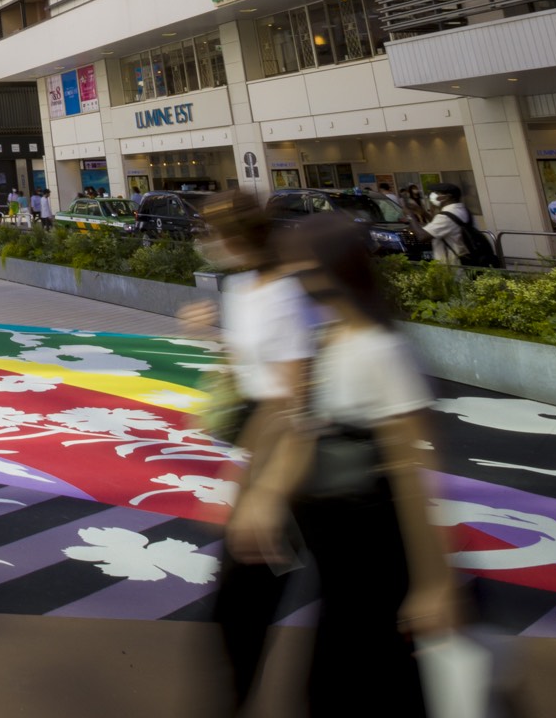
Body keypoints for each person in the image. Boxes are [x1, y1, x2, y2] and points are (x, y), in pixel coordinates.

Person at [228, 215, 461, 717]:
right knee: (338, 679)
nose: (292, 275)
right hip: (334, 550)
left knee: (364, 682)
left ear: (332, 268)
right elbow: (301, 428)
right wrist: (264, 498)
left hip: (374, 546)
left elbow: (413, 474)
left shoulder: (382, 350)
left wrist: (434, 582)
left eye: (303, 264)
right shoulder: (329, 338)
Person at [186, 195, 317, 714]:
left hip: (295, 456)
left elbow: (292, 400)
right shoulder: (240, 288)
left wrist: (262, 492)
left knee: (244, 599)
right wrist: (214, 335)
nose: (206, 242)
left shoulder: (288, 295)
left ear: (238, 238)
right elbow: (248, 370)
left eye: (211, 232)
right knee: (241, 602)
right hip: (261, 448)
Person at [423, 184, 474, 267]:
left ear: (447, 197)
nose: (433, 195)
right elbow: (439, 228)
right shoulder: (462, 210)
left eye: (437, 193)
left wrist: (410, 216)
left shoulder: (445, 216)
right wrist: (423, 212)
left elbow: (422, 236)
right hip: (465, 261)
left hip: (452, 267)